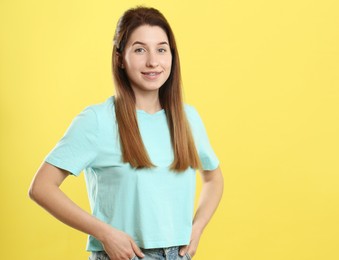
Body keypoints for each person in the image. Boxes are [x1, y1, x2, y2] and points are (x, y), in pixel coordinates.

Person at [28, 6, 224, 260]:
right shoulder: (98, 120)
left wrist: (196, 229)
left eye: (161, 49)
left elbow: (214, 178)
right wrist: (105, 234)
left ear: (172, 56)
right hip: (124, 256)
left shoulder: (187, 119)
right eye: (140, 49)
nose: (153, 61)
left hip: (180, 254)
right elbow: (41, 187)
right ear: (120, 58)